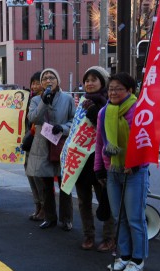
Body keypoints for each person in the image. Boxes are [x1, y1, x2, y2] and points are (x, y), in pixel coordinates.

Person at [94, 72, 149, 271]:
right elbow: (100, 142)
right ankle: (124, 256)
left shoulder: (139, 110)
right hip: (113, 171)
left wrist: (136, 163)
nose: (113, 92)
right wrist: (99, 168)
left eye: (118, 88)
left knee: (135, 218)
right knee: (119, 217)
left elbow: (146, 141)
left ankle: (138, 258)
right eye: (111, 88)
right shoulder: (104, 112)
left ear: (130, 90)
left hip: (135, 172)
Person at [65, 66, 115, 251]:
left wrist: (95, 112)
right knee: (83, 201)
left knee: (106, 201)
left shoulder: (109, 103)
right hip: (80, 161)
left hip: (101, 161)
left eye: (94, 79)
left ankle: (109, 237)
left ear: (103, 82)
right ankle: (88, 235)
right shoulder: (81, 102)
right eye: (87, 80)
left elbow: (108, 131)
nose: (89, 83)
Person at [26, 68, 75, 231]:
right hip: (43, 145)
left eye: (52, 77)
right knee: (46, 185)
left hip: (61, 144)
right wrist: (43, 103)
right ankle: (49, 217)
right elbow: (33, 118)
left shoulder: (68, 99)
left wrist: (63, 128)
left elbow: (74, 121)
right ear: (41, 83)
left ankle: (66, 219)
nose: (48, 80)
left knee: (64, 184)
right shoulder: (36, 100)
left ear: (58, 80)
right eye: (45, 78)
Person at [22, 71, 45, 221]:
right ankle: (37, 205)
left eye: (38, 83)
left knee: (39, 177)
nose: (34, 86)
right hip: (29, 142)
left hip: (41, 144)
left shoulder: (44, 100)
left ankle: (44, 207)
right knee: (30, 175)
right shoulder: (26, 99)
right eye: (33, 83)